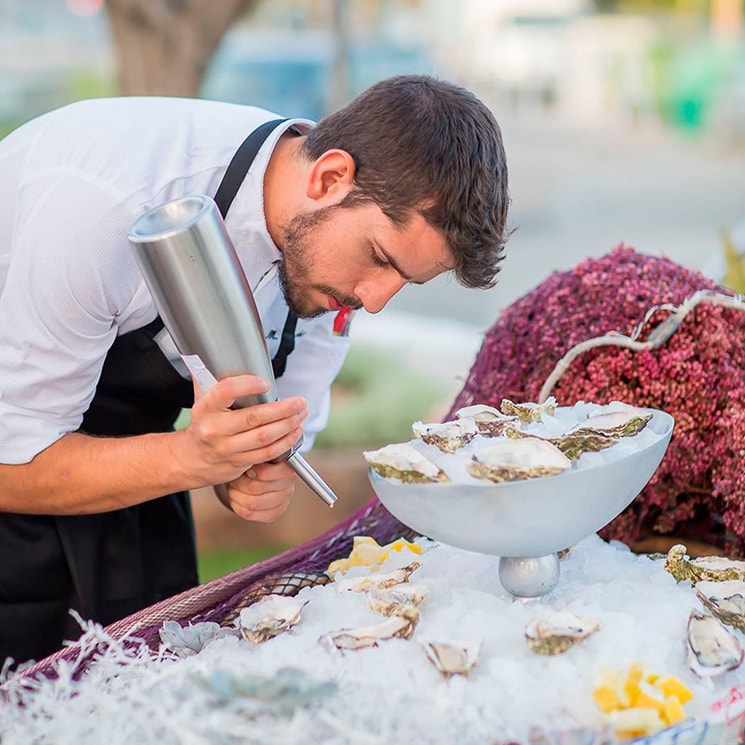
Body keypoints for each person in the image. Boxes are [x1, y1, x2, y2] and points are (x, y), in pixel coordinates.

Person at [0, 74, 510, 666]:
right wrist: (191, 459)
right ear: (329, 177)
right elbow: (12, 463)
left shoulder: (325, 257)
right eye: (379, 259)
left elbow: (266, 445)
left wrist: (247, 467)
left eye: (405, 281)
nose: (375, 300)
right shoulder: (100, 206)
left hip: (140, 493)